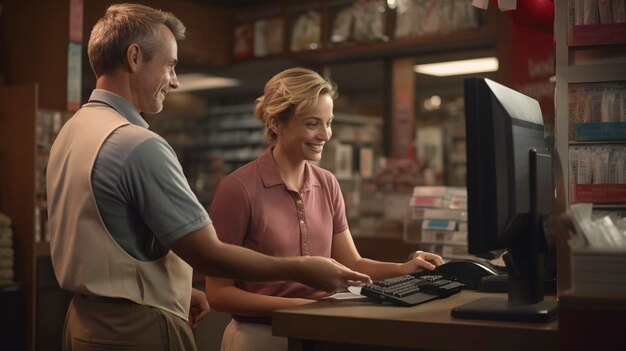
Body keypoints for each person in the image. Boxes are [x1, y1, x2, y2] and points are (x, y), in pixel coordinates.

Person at [46, 5, 370, 351]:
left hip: (84, 320)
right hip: (135, 328)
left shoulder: (73, 131)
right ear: (135, 57)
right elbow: (209, 256)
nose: (175, 80)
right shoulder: (137, 145)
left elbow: (109, 237)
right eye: (170, 65)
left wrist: (177, 290)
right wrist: (302, 269)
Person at [205, 67, 445, 351]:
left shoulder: (328, 183)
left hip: (320, 333)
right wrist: (305, 307)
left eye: (329, 123)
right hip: (260, 338)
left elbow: (352, 265)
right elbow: (219, 294)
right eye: (312, 124)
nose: (325, 134)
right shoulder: (238, 189)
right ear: (276, 123)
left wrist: (404, 269)